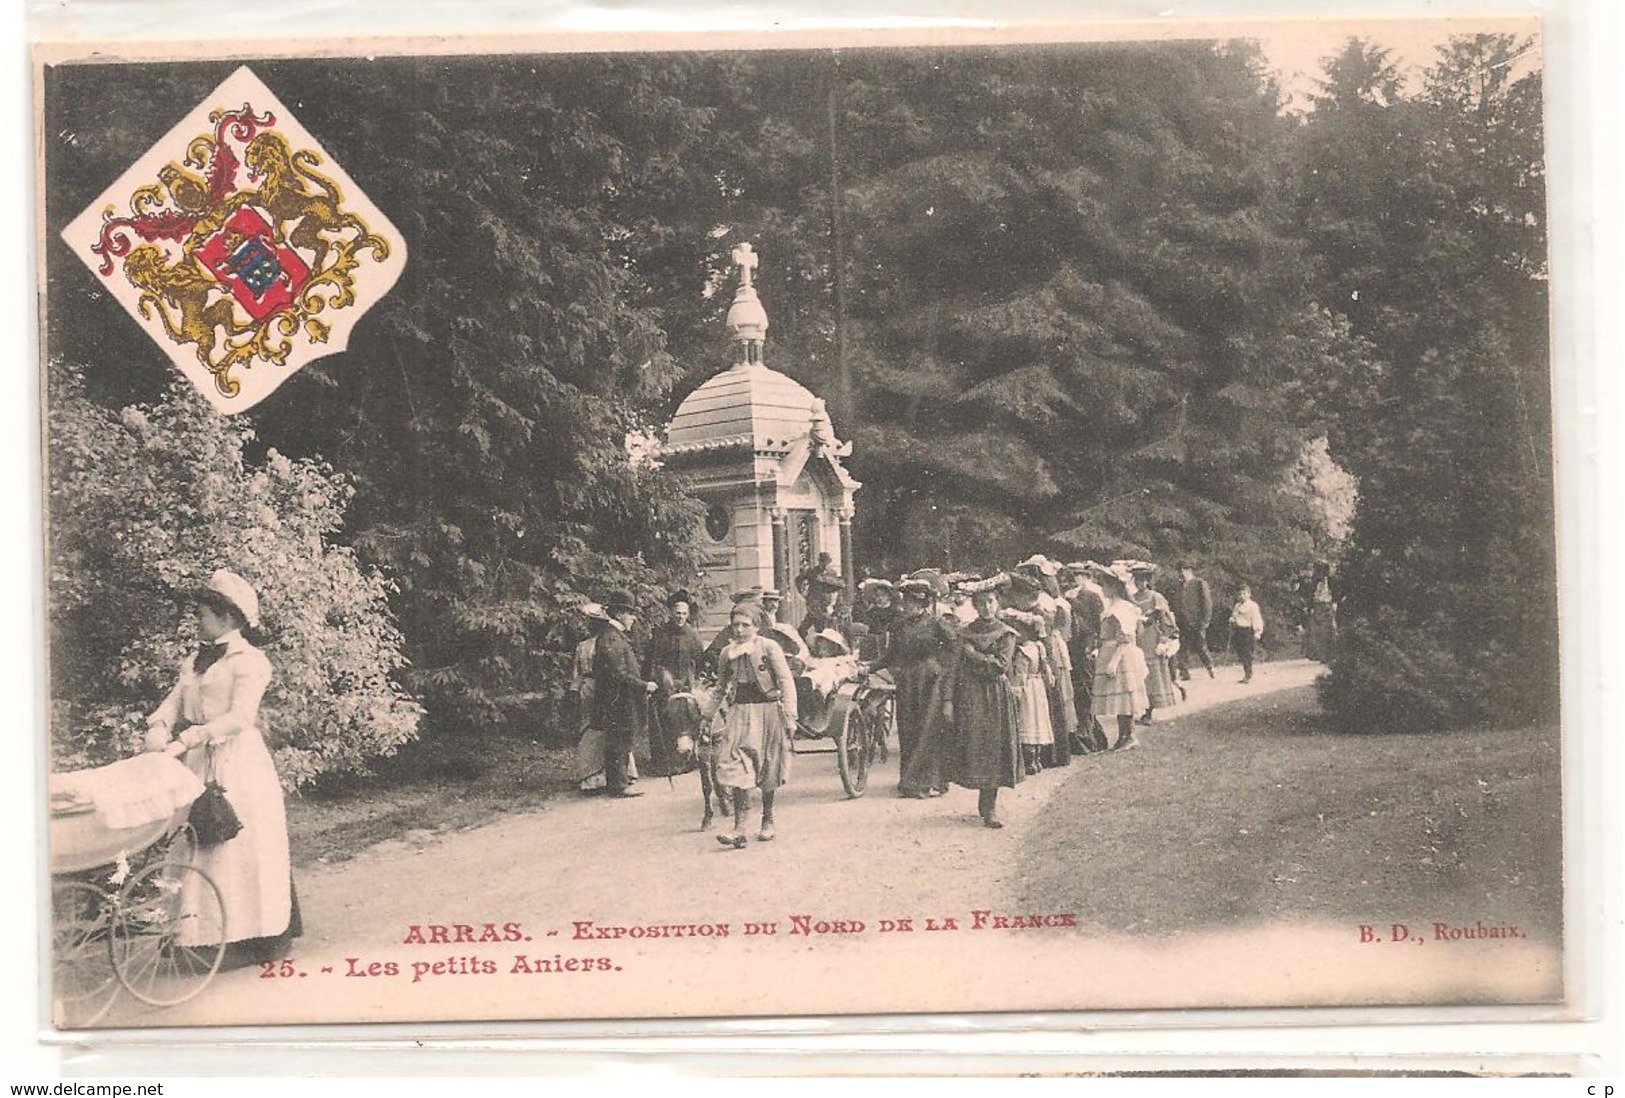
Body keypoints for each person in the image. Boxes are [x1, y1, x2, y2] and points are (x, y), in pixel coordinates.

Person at [142, 569, 299, 970]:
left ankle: (251, 937)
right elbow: (174, 700)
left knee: (235, 848)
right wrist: (158, 726)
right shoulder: (195, 659)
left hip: (237, 763)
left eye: (202, 614)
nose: (196, 620)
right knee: (197, 843)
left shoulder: (250, 661)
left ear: (228, 617)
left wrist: (188, 740)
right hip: (196, 761)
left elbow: (239, 719)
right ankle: (198, 937)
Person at [706, 604, 798, 848]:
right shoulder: (727, 652)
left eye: (745, 625)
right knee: (736, 766)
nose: (739, 629)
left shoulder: (769, 648)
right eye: (735, 624)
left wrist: (790, 715)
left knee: (768, 766)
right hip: (740, 714)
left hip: (767, 712)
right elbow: (720, 688)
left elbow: (786, 680)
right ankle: (739, 829)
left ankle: (767, 820)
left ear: (756, 626)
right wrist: (706, 716)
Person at [943, 575, 1022, 829]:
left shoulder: (1006, 633)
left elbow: (1000, 666)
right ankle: (983, 800)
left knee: (995, 748)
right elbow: (953, 669)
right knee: (977, 746)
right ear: (974, 605)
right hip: (970, 696)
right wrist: (947, 700)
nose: (986, 607)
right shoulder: (965, 633)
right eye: (981, 603)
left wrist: (974, 655)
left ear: (997, 603)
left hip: (995, 696)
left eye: (990, 602)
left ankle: (990, 806)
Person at [873, 577, 959, 797]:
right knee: (908, 729)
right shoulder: (899, 625)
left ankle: (931, 782)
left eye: (912, 602)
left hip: (931, 680)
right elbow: (890, 655)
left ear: (923, 603)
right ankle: (910, 781)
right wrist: (870, 668)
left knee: (928, 729)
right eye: (906, 601)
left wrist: (944, 668)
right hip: (908, 682)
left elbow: (954, 648)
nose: (907, 605)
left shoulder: (937, 623)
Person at [593, 590, 658, 797]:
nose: (633, 618)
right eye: (630, 614)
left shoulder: (616, 636)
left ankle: (619, 782)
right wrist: (643, 685)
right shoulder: (611, 638)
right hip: (618, 699)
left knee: (621, 740)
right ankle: (618, 785)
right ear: (620, 614)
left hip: (622, 698)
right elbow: (617, 675)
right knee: (619, 740)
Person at [1087, 562, 1150, 751]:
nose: (1103, 588)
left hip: (1120, 655)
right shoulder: (1111, 605)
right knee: (1117, 697)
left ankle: (1129, 735)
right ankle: (1123, 736)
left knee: (1124, 695)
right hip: (1109, 650)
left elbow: (1126, 638)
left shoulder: (1123, 607)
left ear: (1114, 586)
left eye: (1105, 584)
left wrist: (1113, 662)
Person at [645, 590, 706, 776]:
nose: (680, 617)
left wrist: (695, 681)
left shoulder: (693, 634)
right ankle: (664, 763)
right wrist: (656, 680)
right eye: (677, 613)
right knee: (665, 722)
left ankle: (687, 759)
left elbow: (699, 660)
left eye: (684, 613)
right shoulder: (660, 633)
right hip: (664, 685)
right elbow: (652, 661)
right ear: (671, 612)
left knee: (688, 720)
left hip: (686, 683)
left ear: (688, 615)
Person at [1060, 563, 1111, 755]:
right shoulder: (1069, 595)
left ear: (1087, 576)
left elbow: (1098, 626)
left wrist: (1095, 647)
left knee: (1086, 692)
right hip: (1072, 647)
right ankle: (1086, 736)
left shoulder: (1093, 596)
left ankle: (1090, 736)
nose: (1076, 579)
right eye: (1074, 575)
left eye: (1080, 575)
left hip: (1086, 648)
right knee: (1077, 691)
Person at [1126, 562, 1182, 723]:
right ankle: (1142, 709)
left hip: (1152, 638)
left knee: (1152, 675)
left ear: (1148, 580)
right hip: (1138, 639)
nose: (1140, 583)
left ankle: (1149, 712)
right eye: (1137, 580)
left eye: (1143, 580)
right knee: (1138, 672)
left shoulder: (1155, 597)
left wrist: (1164, 640)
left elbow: (1165, 620)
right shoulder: (1132, 598)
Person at [1004, 609, 1054, 776]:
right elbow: (1046, 668)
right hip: (1037, 686)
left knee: (1027, 720)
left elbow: (1020, 673)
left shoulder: (1023, 651)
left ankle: (1030, 760)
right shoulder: (1039, 647)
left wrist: (1015, 690)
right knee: (1037, 721)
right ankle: (1037, 759)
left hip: (1027, 689)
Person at [1174, 562, 1216, 680]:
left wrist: (1205, 621)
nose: (1181, 574)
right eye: (1180, 571)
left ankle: (1210, 667)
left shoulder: (1199, 583)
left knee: (1200, 646)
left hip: (1197, 621)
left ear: (1189, 570)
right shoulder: (1180, 586)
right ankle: (1184, 672)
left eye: (1183, 570)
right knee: (1183, 647)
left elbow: (1207, 603)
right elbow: (1177, 603)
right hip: (1182, 622)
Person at [1303, 560, 1338, 663]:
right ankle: (1322, 656)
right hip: (1318, 607)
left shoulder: (1331, 581)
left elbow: (1336, 592)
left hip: (1327, 606)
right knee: (1318, 633)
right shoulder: (1314, 582)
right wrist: (1309, 607)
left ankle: (1330, 656)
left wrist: (1335, 602)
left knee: (1329, 631)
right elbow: (1310, 595)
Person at [1230, 584, 1265, 683]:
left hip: (1248, 631)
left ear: (1249, 594)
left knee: (1247, 653)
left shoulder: (1253, 606)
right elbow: (1235, 616)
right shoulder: (1237, 605)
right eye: (1240, 593)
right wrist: (1232, 619)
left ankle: (1248, 674)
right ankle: (1246, 673)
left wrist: (1257, 632)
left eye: (1244, 593)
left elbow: (1256, 618)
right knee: (1240, 653)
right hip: (1238, 631)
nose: (1242, 595)